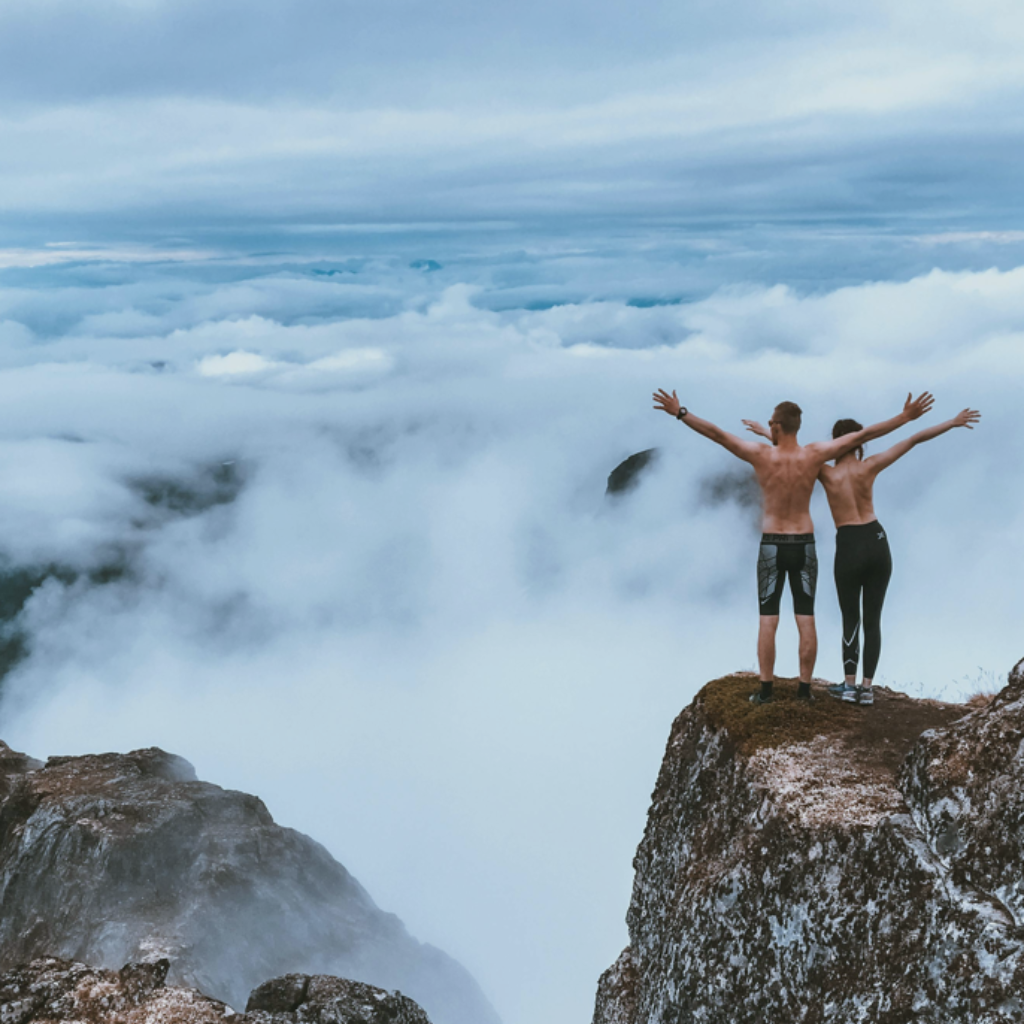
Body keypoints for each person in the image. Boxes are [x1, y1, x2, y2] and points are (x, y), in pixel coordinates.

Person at [652, 389, 935, 704]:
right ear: (797, 427)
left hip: (772, 543)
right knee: (806, 618)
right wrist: (904, 418)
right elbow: (865, 434)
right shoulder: (814, 455)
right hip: (804, 544)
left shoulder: (760, 454)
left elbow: (718, 434)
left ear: (775, 427)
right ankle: (804, 691)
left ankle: (766, 690)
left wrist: (681, 413)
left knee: (768, 619)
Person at [743, 407, 980, 706]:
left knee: (850, 617)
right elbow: (915, 439)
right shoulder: (871, 466)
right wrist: (952, 422)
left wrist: (768, 434)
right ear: (857, 442)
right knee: (873, 619)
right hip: (878, 541)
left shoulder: (825, 473)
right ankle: (867, 689)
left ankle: (850, 685)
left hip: (850, 544)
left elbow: (794, 457)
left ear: (837, 442)